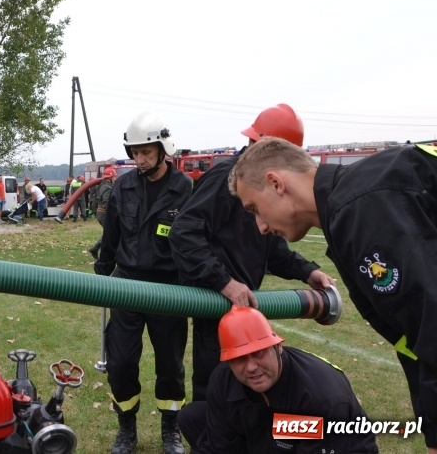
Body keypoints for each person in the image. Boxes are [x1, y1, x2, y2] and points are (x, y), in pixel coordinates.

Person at [229, 137, 437, 454]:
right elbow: (412, 340)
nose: (260, 226)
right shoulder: (352, 205)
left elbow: (431, 326)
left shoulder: (361, 208)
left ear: (276, 183)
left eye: (255, 209)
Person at [169, 104, 334, 402]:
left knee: (250, 385)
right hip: (217, 304)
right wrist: (224, 283)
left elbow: (271, 247)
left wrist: (307, 271)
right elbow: (184, 234)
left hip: (245, 305)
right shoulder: (226, 178)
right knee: (217, 386)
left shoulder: (263, 184)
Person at [94, 112, 192, 454]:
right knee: (121, 363)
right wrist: (103, 271)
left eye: (146, 152)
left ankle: (171, 429)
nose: (140, 159)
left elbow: (193, 239)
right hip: (127, 286)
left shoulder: (184, 188)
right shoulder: (123, 187)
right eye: (135, 152)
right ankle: (127, 429)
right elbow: (111, 235)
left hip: (168, 290)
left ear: (163, 150)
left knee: (170, 365)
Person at [178, 306, 378, 453]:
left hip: (335, 444)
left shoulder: (320, 399)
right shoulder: (223, 379)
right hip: (272, 428)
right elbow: (216, 447)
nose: (251, 367)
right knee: (192, 417)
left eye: (258, 353)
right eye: (239, 359)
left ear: (278, 347)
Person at [88, 165, 116, 259]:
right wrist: (113, 214)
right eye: (114, 177)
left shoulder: (101, 185)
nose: (115, 178)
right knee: (111, 233)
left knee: (109, 233)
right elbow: (106, 203)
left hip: (100, 213)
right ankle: (100, 251)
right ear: (110, 177)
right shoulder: (107, 188)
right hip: (104, 214)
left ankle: (96, 249)